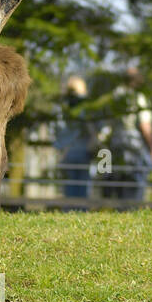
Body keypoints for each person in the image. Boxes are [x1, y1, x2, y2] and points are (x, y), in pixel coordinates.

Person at [101, 66, 152, 203]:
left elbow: (107, 123)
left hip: (115, 144)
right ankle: (130, 211)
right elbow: (145, 126)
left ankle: (119, 212)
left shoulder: (114, 96)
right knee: (135, 183)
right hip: (134, 146)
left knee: (117, 182)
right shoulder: (138, 97)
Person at [54, 76, 95, 205]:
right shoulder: (84, 107)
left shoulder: (61, 108)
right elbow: (89, 127)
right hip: (81, 151)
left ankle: (70, 214)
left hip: (67, 152)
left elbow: (56, 130)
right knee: (82, 189)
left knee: (70, 188)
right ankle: (79, 215)